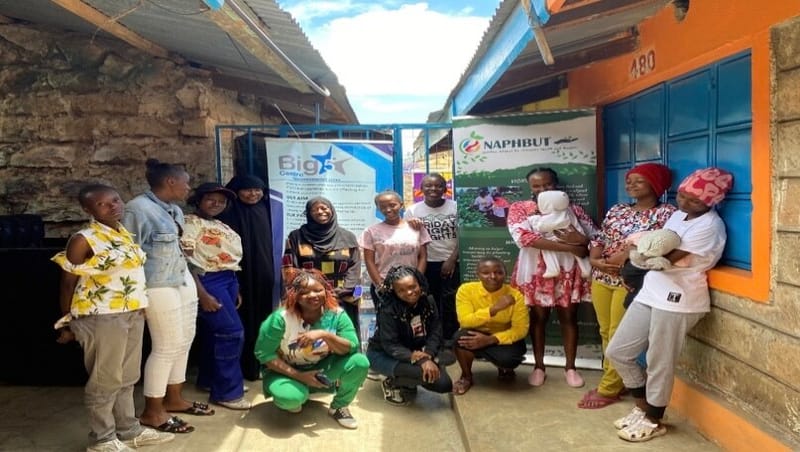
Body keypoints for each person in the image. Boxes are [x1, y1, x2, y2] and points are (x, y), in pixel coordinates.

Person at [606, 167, 732, 443]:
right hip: (652, 291)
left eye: (695, 200)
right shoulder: (677, 214)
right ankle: (642, 407)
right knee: (618, 351)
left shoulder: (710, 226)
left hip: (679, 299)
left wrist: (636, 255)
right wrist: (638, 253)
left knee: (659, 361)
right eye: (683, 195)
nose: (685, 203)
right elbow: (655, 248)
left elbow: (669, 256)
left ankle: (654, 418)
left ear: (712, 202)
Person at [52, 184, 174, 451]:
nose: (113, 206)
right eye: (103, 204)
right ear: (87, 209)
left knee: (128, 376)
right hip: (101, 317)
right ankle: (102, 439)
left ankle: (128, 430)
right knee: (104, 380)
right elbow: (67, 283)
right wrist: (67, 322)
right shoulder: (84, 239)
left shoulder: (123, 233)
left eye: (116, 200)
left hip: (131, 313)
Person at [125, 159, 215, 435]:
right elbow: (129, 254)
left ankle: (174, 399)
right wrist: (134, 297)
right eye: (185, 182)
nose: (189, 187)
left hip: (181, 279)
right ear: (171, 182)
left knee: (184, 341)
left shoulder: (174, 209)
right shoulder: (137, 209)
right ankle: (152, 411)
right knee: (165, 346)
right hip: (157, 284)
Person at [578, 163, 676, 409]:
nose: (630, 184)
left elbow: (653, 246)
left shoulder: (666, 214)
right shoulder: (618, 209)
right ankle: (616, 379)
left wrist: (616, 259)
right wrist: (594, 260)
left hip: (630, 280)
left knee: (616, 334)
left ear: (655, 185)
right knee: (604, 331)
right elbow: (601, 237)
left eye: (638, 181)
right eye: (628, 180)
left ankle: (609, 388)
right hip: (602, 278)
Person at [507, 167, 597, 388]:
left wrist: (581, 242)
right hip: (536, 272)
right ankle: (539, 366)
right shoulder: (521, 208)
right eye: (536, 186)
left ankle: (570, 368)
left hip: (568, 271)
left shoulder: (573, 209)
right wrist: (569, 246)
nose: (542, 189)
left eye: (547, 185)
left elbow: (594, 237)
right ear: (530, 187)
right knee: (539, 319)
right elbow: (525, 238)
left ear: (556, 185)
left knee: (569, 317)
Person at [254, 268, 369, 429]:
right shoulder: (279, 319)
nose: (313, 295)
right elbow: (264, 354)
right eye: (305, 292)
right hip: (286, 372)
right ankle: (297, 392)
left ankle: (339, 406)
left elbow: (351, 346)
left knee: (360, 362)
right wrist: (300, 376)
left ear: (326, 291)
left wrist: (325, 335)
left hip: (321, 372)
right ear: (294, 295)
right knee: (291, 399)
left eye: (318, 290)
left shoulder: (337, 315)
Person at [183, 182, 250, 411]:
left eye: (221, 201)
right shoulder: (190, 223)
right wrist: (202, 294)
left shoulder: (219, 224)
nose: (217, 204)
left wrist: (235, 286)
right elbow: (185, 262)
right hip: (207, 280)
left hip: (227, 279)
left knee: (215, 334)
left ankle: (211, 381)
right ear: (198, 200)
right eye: (211, 199)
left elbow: (226, 257)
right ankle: (227, 393)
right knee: (231, 333)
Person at [218, 175, 277, 381]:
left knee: (265, 318)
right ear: (236, 191)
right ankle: (244, 367)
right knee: (241, 320)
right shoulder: (227, 213)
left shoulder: (269, 211)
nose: (253, 194)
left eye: (257, 189)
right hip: (238, 276)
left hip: (264, 277)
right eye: (247, 189)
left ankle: (264, 363)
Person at [366, 266, 453, 405]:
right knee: (437, 380)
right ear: (394, 291)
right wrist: (420, 360)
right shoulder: (388, 309)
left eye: (413, 287)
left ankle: (407, 381)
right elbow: (390, 345)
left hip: (412, 351)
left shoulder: (428, 301)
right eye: (401, 290)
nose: (409, 292)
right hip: (383, 354)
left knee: (445, 374)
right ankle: (392, 382)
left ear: (420, 283)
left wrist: (428, 354)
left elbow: (435, 330)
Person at [283, 197, 361, 334]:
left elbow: (354, 267)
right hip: (309, 299)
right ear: (308, 213)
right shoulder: (296, 237)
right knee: (311, 342)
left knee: (343, 338)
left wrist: (340, 292)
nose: (320, 212)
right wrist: (311, 292)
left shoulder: (347, 237)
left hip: (342, 298)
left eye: (324, 208)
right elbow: (290, 268)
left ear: (332, 210)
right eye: (315, 209)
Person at [452, 257, 529, 395]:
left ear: (505, 274)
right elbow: (465, 321)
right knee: (460, 338)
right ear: (478, 274)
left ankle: (505, 368)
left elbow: (520, 329)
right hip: (476, 334)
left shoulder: (515, 296)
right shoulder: (466, 290)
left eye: (498, 272)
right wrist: (494, 309)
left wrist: (490, 339)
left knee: (509, 359)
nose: (492, 276)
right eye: (486, 272)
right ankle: (466, 377)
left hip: (502, 338)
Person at [405, 173, 460, 343]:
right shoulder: (413, 211)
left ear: (445, 188)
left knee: (451, 300)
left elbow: (463, 236)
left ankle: (450, 338)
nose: (433, 189)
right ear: (421, 189)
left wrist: (451, 260)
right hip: (426, 262)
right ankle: (433, 337)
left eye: (438, 186)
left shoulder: (456, 207)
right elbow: (409, 238)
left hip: (452, 261)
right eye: (428, 186)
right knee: (429, 300)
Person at [361, 190, 431, 310]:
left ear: (401, 205)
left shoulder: (416, 227)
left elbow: (422, 257)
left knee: (414, 322)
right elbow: (369, 261)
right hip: (386, 285)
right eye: (383, 207)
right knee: (388, 324)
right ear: (378, 208)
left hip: (411, 285)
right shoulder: (371, 231)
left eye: (392, 205)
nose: (388, 210)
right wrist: (380, 285)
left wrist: (417, 280)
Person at [528, 190, 592, 278]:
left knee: (547, 251)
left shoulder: (552, 216)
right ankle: (586, 269)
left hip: (556, 240)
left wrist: (533, 219)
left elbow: (541, 226)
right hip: (574, 239)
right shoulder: (568, 212)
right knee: (581, 258)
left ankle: (553, 268)